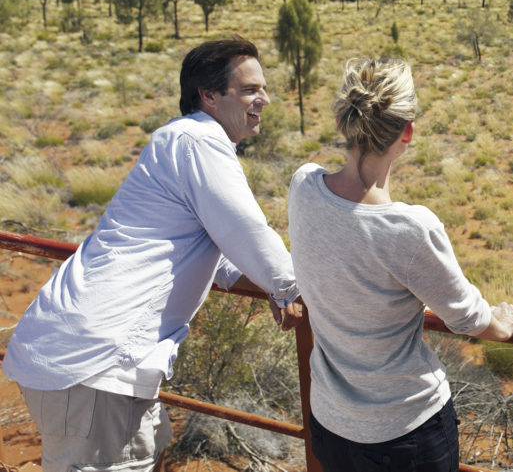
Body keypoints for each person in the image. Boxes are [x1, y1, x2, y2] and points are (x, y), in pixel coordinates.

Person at [2, 36, 302, 472]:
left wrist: (268, 283)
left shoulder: (175, 142)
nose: (265, 99)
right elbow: (246, 228)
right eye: (250, 89)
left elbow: (215, 249)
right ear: (209, 96)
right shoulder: (199, 140)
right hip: (98, 365)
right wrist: (291, 287)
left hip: (70, 353)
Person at [287, 56, 513, 472]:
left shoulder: (303, 186)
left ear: (344, 122)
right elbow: (465, 316)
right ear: (407, 131)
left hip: (331, 424)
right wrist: (498, 322)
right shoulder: (409, 228)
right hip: (406, 434)